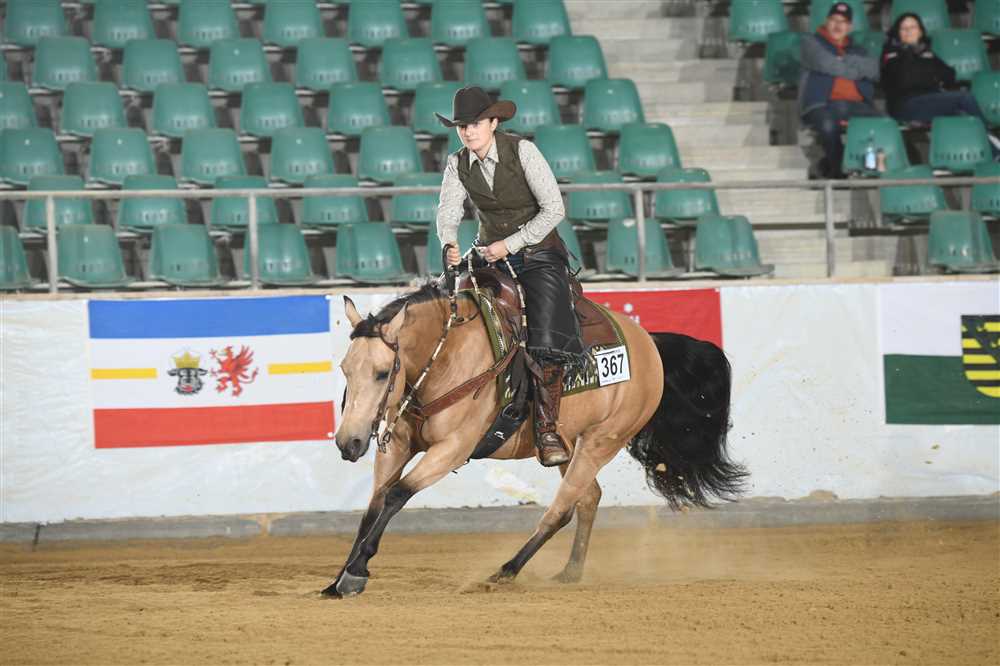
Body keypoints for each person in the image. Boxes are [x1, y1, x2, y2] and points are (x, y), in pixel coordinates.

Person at [434, 86, 586, 468]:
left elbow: (554, 209)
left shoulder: (523, 152)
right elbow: (448, 210)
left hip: (537, 253)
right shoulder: (457, 163)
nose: (468, 132)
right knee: (446, 307)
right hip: (488, 251)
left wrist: (511, 244)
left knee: (547, 335)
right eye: (462, 126)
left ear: (493, 123)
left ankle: (547, 429)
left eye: (475, 124)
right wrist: (449, 242)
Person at [881, 12, 1000, 157]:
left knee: (963, 117)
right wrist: (928, 73)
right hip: (904, 106)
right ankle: (990, 135)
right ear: (897, 32)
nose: (909, 31)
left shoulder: (924, 51)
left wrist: (928, 71)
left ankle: (994, 154)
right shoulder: (892, 53)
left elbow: (950, 74)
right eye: (904, 28)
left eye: (913, 27)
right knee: (964, 98)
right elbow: (906, 81)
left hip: (927, 101)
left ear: (920, 31)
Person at [800, 2, 882, 178]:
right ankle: (837, 172)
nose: (838, 25)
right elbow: (825, 63)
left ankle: (875, 172)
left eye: (843, 22)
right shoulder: (811, 42)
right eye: (834, 20)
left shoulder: (859, 49)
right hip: (821, 104)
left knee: (885, 124)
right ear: (826, 21)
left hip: (858, 105)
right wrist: (856, 69)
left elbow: (875, 70)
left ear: (849, 27)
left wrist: (842, 59)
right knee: (828, 125)